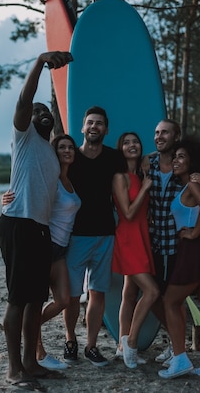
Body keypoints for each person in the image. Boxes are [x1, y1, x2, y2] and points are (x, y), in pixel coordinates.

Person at [0, 51, 72, 391]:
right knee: (17, 299)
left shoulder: (52, 156)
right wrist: (40, 62)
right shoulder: (23, 137)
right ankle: (14, 369)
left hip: (39, 230)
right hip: (19, 224)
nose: (40, 112)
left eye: (46, 111)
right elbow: (25, 99)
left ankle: (31, 362)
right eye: (36, 110)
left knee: (34, 301)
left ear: (52, 121)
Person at [144, 119, 200, 365]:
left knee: (172, 300)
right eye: (156, 132)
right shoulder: (149, 163)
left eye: (165, 133)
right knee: (160, 299)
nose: (160, 136)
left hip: (182, 248)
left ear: (176, 136)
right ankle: (185, 350)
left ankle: (179, 353)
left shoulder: (191, 175)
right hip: (158, 245)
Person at [2, 134, 82, 371]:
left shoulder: (69, 180)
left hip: (60, 249)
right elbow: (24, 194)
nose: (67, 150)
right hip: (44, 245)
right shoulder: (50, 178)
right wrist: (6, 201)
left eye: (70, 147)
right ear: (53, 153)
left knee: (63, 300)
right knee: (34, 301)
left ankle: (26, 330)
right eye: (62, 147)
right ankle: (38, 351)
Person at [62, 106, 126, 367]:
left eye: (99, 123)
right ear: (82, 127)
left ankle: (90, 346)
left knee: (97, 292)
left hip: (105, 235)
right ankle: (70, 341)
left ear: (106, 129)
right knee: (72, 295)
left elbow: (131, 175)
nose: (94, 127)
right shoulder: (70, 158)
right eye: (90, 123)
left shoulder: (114, 158)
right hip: (75, 235)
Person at [111, 132, 159, 369]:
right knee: (151, 291)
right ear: (120, 149)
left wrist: (147, 165)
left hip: (141, 237)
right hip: (127, 239)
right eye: (126, 142)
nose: (132, 145)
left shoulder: (141, 173)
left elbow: (154, 154)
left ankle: (121, 348)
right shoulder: (120, 177)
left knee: (130, 294)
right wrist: (145, 189)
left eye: (136, 142)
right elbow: (128, 213)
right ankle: (131, 342)